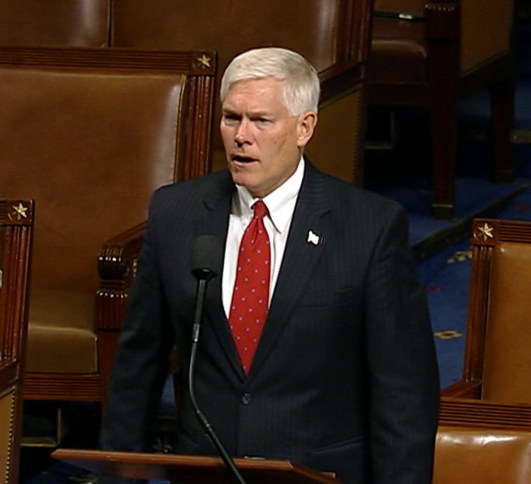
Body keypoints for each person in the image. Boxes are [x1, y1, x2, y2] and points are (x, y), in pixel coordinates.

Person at [99, 46, 439, 483]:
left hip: (318, 473)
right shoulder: (176, 214)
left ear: (304, 127)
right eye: (231, 118)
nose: (241, 136)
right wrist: (119, 474)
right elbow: (138, 364)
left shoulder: (368, 227)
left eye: (261, 120)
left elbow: (404, 391)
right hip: (207, 470)